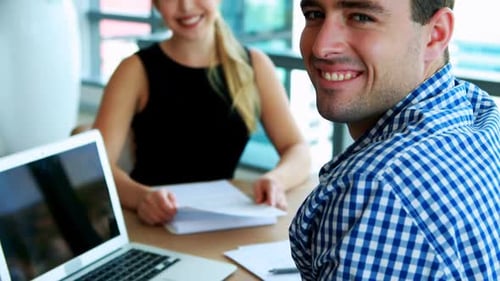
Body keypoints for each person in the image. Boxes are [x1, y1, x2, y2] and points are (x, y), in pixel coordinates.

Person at [289, 0, 500, 280]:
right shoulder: (477, 111)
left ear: (435, 34)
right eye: (314, 14)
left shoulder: (377, 187)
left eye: (361, 17)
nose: (321, 47)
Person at [91, 0, 311, 226]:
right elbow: (94, 166)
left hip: (224, 222)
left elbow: (298, 149)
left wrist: (276, 180)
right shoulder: (134, 70)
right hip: (153, 223)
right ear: (156, 4)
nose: (186, 6)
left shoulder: (254, 65)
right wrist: (141, 198)